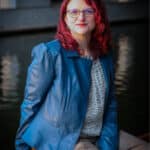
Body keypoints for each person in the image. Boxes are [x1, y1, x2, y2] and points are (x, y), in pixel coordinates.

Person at [15, 0, 119, 149]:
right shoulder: (50, 53)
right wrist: (21, 145)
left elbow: (111, 106)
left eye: (88, 11)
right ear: (65, 18)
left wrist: (107, 145)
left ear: (98, 16)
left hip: (99, 134)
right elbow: (31, 104)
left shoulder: (105, 55)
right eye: (74, 12)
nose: (81, 17)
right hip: (64, 140)